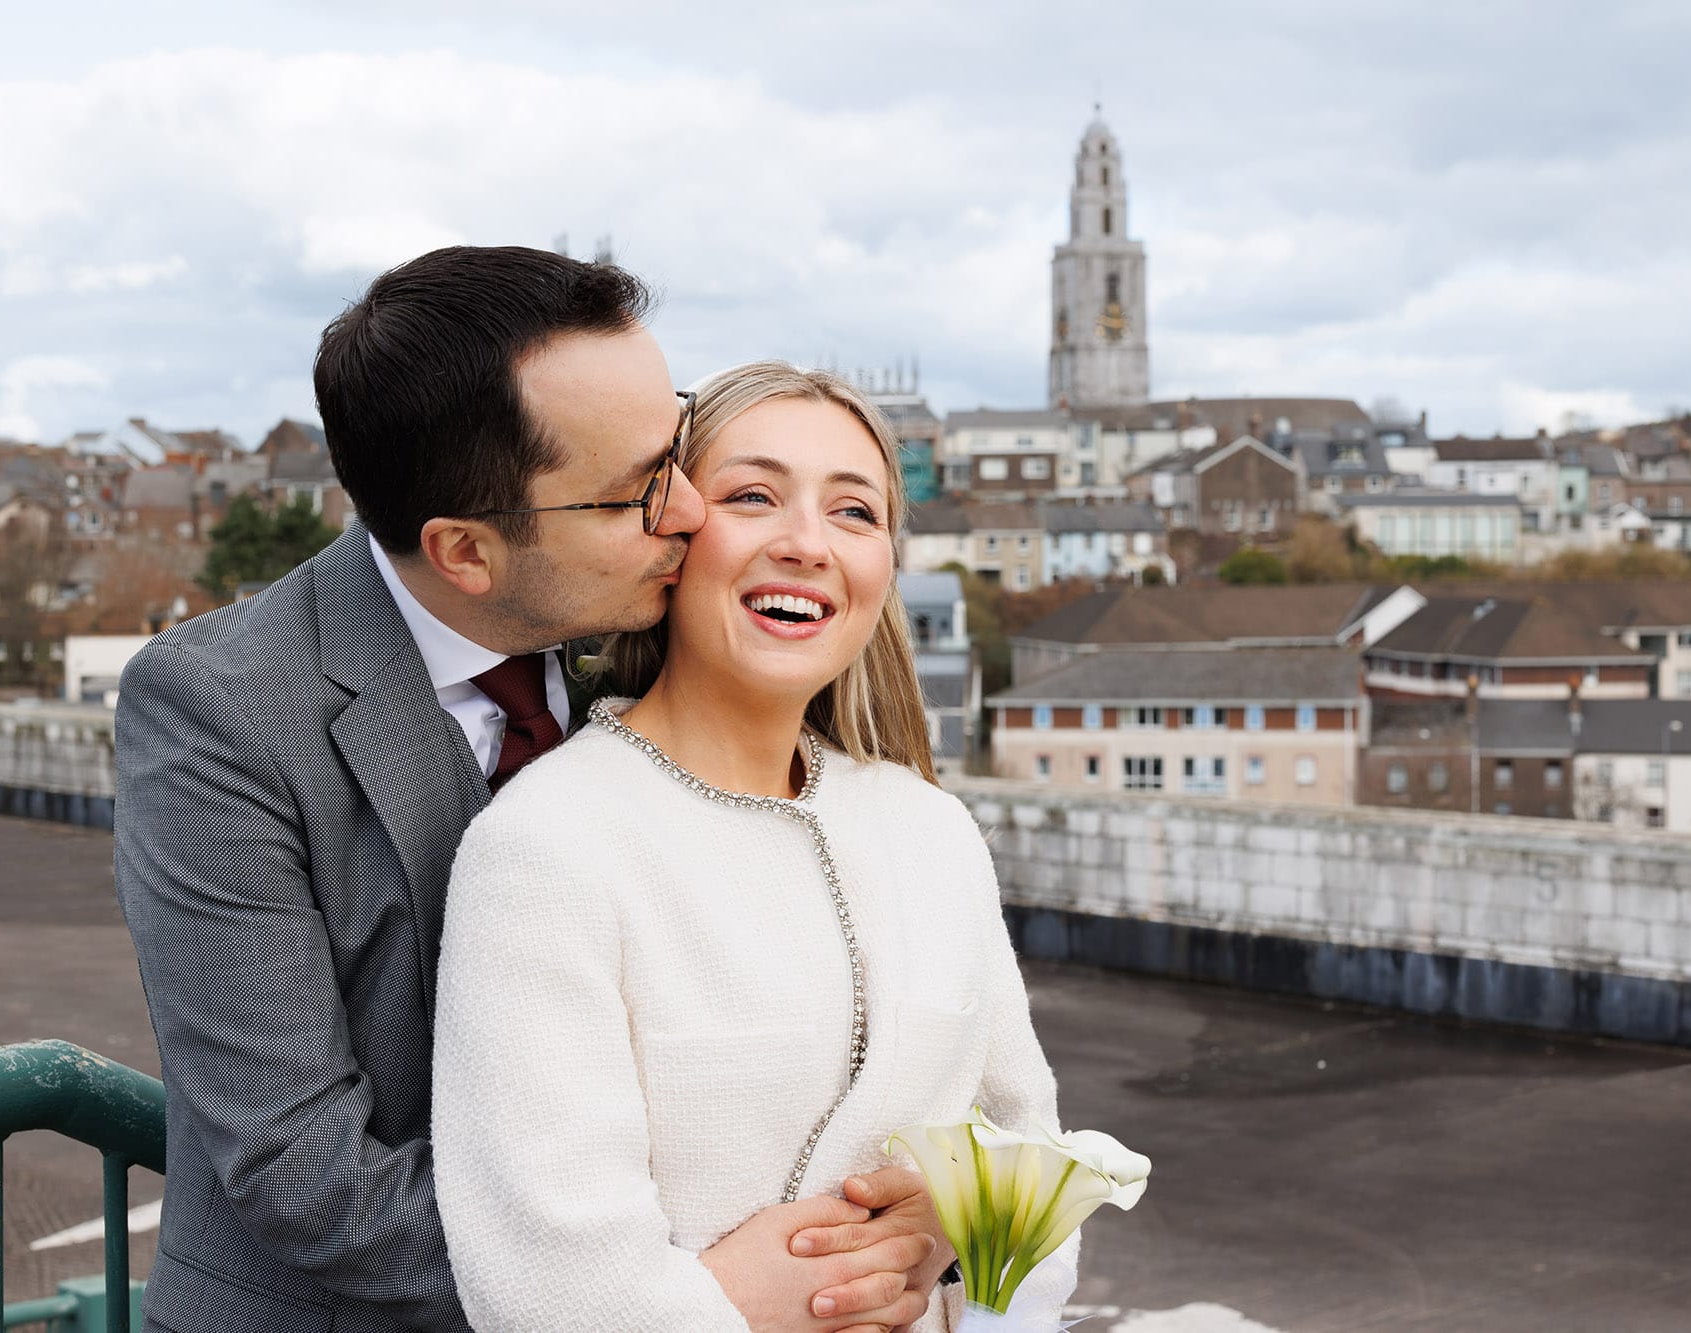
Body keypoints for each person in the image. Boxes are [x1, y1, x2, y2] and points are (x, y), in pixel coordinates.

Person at [115, 249, 943, 1332]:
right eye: (640, 490)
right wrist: (675, 1293)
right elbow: (300, 1164)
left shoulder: (646, 648)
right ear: (465, 551)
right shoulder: (218, 712)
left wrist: (918, 1224)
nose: (690, 511)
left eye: (677, 441)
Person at [431, 361, 1078, 1331]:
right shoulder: (544, 848)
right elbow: (543, 1281)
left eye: (854, 512)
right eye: (752, 496)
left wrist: (950, 1229)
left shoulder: (930, 831)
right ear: (671, 533)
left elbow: (1036, 1171)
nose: (807, 543)